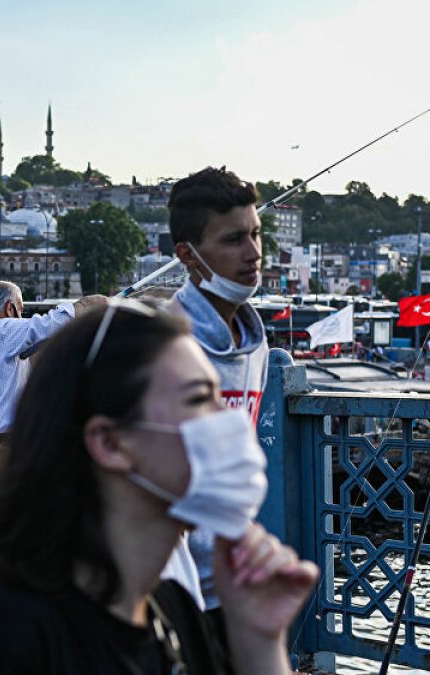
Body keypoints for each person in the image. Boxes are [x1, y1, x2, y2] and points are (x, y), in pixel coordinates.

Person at [0, 302, 318, 674]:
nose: (226, 420)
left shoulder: (174, 606)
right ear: (109, 442)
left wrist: (260, 642)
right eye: (199, 399)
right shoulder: (4, 643)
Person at [166, 166, 270, 619]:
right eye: (233, 240)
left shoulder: (257, 342)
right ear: (188, 255)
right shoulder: (165, 345)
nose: (253, 253)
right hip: (178, 596)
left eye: (256, 234)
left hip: (236, 584)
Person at [0, 280, 107, 498]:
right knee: (11, 522)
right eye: (20, 310)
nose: (21, 316)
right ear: (10, 308)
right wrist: (94, 303)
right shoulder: (4, 330)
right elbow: (52, 322)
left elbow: (23, 357)